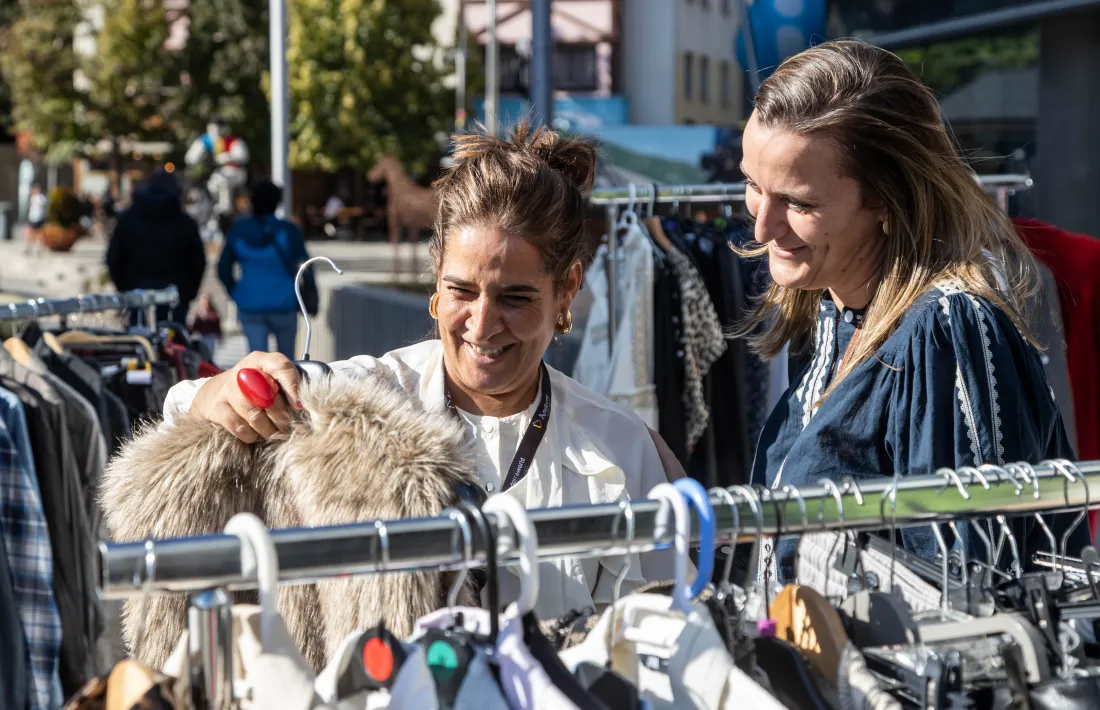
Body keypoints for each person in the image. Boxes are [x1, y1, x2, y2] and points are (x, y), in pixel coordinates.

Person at [165, 122, 684, 618]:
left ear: (567, 288)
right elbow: (181, 417)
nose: (482, 325)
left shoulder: (619, 448)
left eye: (515, 297)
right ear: (436, 277)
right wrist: (222, 393)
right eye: (461, 290)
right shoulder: (371, 398)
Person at [740, 40, 1084, 580]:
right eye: (752, 186)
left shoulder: (947, 331)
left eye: (799, 202)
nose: (763, 226)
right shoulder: (843, 314)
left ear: (885, 198)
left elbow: (975, 593)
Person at [218, 181, 313, 360]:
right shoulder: (289, 230)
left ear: (252, 202)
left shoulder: (239, 229)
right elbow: (306, 265)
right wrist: (310, 294)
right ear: (277, 203)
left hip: (250, 303)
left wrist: (236, 292)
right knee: (287, 363)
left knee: (257, 362)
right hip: (284, 302)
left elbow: (223, 267)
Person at [106, 169, 206, 325]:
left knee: (141, 341)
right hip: (175, 297)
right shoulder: (184, 222)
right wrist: (188, 292)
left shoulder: (129, 220)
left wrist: (124, 289)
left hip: (138, 294)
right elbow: (198, 262)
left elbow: (114, 258)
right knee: (174, 344)